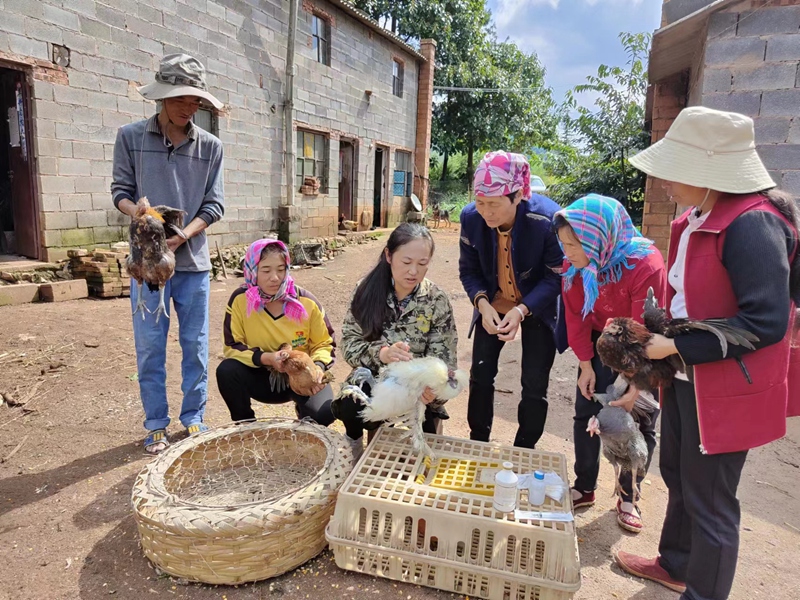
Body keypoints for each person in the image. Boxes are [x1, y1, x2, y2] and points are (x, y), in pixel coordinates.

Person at [613, 106, 800, 599]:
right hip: (687, 377)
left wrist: (674, 343)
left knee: (712, 501)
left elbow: (766, 321)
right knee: (677, 473)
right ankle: (675, 563)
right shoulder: (701, 216)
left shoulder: (753, 224)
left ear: (708, 168)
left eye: (674, 170)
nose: (666, 182)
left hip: (724, 386)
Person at [111, 54, 225, 454]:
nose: (187, 107)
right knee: (149, 346)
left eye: (195, 100)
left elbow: (214, 205)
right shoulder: (131, 138)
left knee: (194, 345)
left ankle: (193, 417)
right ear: (161, 97)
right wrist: (138, 212)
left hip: (193, 266)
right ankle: (156, 422)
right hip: (146, 265)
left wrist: (182, 237)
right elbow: (119, 192)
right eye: (180, 98)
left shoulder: (210, 147)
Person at [554, 194, 666, 534]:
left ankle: (629, 496)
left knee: (635, 422)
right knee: (586, 413)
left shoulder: (643, 265)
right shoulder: (575, 268)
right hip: (601, 342)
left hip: (645, 348)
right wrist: (586, 365)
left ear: (597, 239)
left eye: (574, 245)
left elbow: (644, 334)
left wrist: (633, 387)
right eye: (563, 244)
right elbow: (576, 316)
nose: (567, 253)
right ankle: (585, 485)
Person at [459, 151, 563, 449]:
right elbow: (469, 270)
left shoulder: (546, 220)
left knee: (534, 383)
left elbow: (555, 276)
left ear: (518, 196)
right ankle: (478, 440)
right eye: (480, 203)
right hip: (492, 304)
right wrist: (482, 304)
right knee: (480, 373)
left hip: (536, 307)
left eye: (494, 204)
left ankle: (524, 450)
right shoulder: (470, 219)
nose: (486, 212)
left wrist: (521, 310)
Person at [333, 223, 458, 456]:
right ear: (389, 256)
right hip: (378, 379)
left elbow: (445, 359)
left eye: (422, 264)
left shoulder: (436, 300)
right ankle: (354, 445)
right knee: (352, 402)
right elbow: (349, 344)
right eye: (406, 262)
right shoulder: (366, 291)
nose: (413, 271)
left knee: (427, 431)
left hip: (419, 388)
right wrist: (381, 354)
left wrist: (432, 386)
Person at [216, 239, 339, 427]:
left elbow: (324, 343)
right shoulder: (240, 300)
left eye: (281, 269)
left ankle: (305, 414)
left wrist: (316, 369)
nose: (275, 277)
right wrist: (268, 358)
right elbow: (232, 346)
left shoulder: (306, 301)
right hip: (262, 376)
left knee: (324, 413)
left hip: (301, 375)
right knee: (227, 371)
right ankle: (246, 425)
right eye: (265, 270)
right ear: (251, 270)